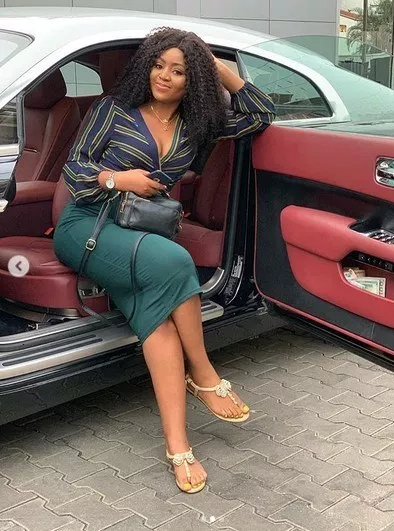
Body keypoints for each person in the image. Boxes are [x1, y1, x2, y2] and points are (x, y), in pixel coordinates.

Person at [53, 27, 276, 494]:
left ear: (193, 80)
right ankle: (205, 373)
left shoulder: (199, 124)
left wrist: (214, 66)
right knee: (175, 261)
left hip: (139, 233)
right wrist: (119, 179)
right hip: (86, 225)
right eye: (158, 65)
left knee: (159, 324)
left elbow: (261, 113)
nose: (164, 76)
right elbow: (74, 169)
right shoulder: (112, 109)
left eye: (179, 70)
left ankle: (179, 447)